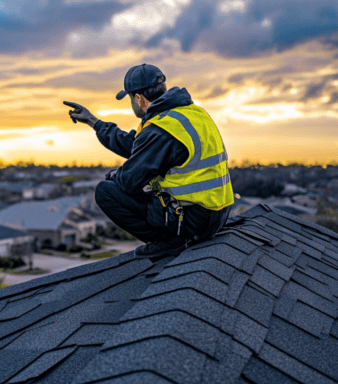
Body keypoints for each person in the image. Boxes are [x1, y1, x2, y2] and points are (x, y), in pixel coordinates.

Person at [64, 63, 234, 259]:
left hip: (194, 221)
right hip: (218, 215)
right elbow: (136, 145)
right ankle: (174, 235)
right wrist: (93, 122)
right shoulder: (189, 114)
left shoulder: (161, 128)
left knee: (106, 191)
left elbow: (129, 181)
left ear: (139, 99)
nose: (131, 104)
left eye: (130, 99)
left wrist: (116, 175)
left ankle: (169, 242)